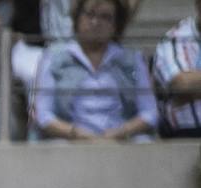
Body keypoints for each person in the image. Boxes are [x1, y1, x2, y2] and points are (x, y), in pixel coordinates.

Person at [32, 0, 155, 139]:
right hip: (70, 139)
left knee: (143, 142)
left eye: (105, 17)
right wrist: (75, 133)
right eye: (89, 14)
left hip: (121, 140)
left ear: (116, 25)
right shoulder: (54, 58)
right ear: (77, 18)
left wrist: (122, 132)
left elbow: (150, 113)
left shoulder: (132, 59)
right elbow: (43, 115)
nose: (95, 22)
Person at [155, 0, 201, 137]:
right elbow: (181, 84)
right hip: (188, 133)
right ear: (198, 4)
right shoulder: (175, 38)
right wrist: (188, 87)